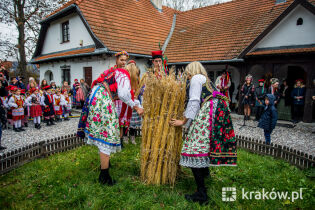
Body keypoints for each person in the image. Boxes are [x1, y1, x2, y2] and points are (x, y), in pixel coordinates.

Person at [170, 61, 237, 205]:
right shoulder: (207, 80)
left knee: (193, 147)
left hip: (210, 111)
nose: (188, 77)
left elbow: (194, 101)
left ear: (191, 71)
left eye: (187, 74)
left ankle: (201, 193)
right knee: (204, 144)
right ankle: (205, 174)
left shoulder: (196, 78)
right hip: (217, 112)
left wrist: (183, 121)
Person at [77, 50, 144, 186]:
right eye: (121, 60)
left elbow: (124, 94)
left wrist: (135, 103)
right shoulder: (123, 73)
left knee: (103, 132)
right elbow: (124, 95)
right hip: (102, 99)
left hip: (97, 96)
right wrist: (136, 107)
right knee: (106, 135)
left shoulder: (112, 71)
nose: (123, 62)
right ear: (117, 60)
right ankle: (104, 175)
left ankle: (106, 163)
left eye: (125, 60)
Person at [126, 60, 141, 145]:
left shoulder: (137, 77)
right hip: (127, 101)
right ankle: (125, 137)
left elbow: (139, 88)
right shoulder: (126, 77)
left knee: (133, 122)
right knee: (125, 121)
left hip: (134, 101)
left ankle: (132, 137)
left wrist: (136, 94)